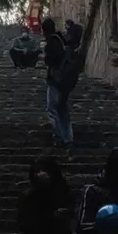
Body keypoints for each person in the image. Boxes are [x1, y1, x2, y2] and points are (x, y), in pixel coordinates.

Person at [41, 17, 78, 147]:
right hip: (65, 80)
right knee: (62, 109)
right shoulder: (60, 39)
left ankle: (59, 136)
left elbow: (54, 59)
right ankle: (68, 138)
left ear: (44, 30)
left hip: (56, 80)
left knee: (53, 108)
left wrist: (45, 57)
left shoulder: (52, 41)